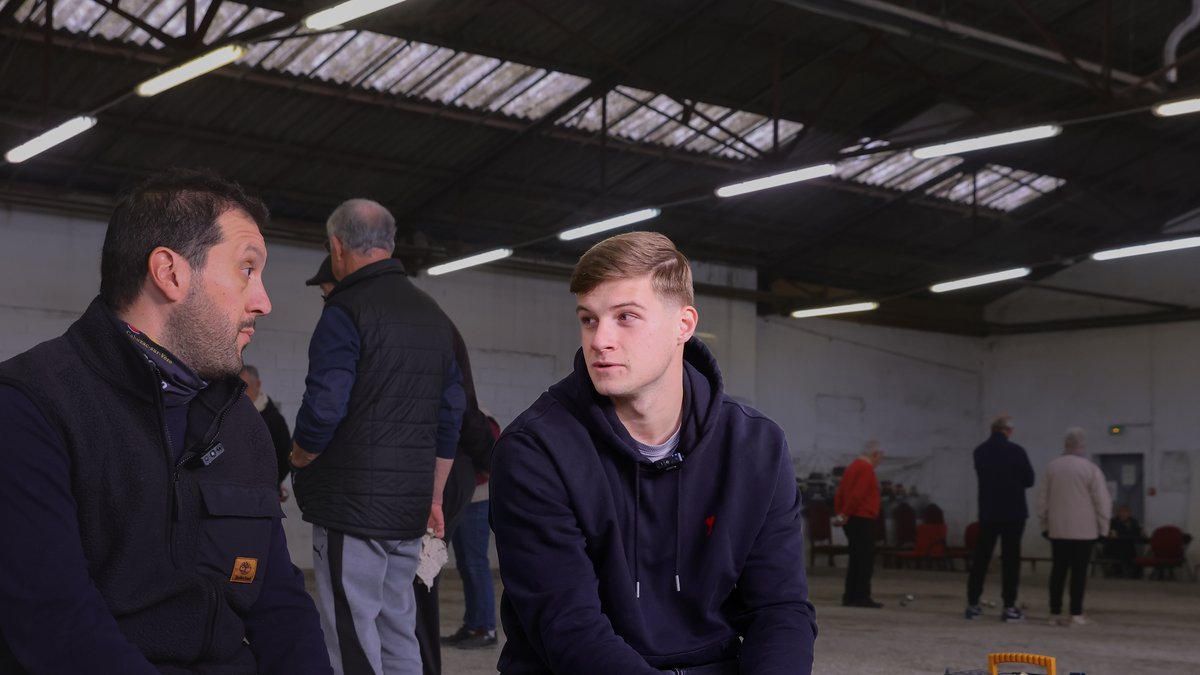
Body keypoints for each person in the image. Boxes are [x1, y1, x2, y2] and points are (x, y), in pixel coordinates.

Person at [0, 169, 331, 673]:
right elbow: (56, 626)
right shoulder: (30, 408)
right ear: (170, 273)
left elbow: (277, 604)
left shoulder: (239, 422)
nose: (263, 300)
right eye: (247, 269)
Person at [490, 231, 817, 675]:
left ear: (684, 325)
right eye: (589, 319)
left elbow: (779, 609)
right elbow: (569, 628)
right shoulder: (535, 450)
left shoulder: (755, 446)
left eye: (625, 317)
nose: (600, 340)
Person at [290, 199, 465, 675]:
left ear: (337, 247)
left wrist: (300, 456)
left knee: (350, 631)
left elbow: (325, 406)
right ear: (389, 244)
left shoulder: (345, 310)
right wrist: (433, 494)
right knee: (396, 627)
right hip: (408, 508)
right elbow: (452, 414)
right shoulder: (433, 316)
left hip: (352, 508)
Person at [1038, 428, 1111, 626]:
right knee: (1079, 573)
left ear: (1065, 444)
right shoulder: (1090, 469)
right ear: (1082, 445)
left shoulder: (1052, 467)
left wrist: (1045, 524)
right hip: (1084, 531)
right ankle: (1076, 613)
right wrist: (1103, 528)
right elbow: (1102, 502)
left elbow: (1042, 500)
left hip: (1058, 529)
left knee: (1058, 571)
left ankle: (1054, 612)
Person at [965, 415, 1035, 622]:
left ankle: (973, 604)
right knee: (1011, 560)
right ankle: (1009, 606)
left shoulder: (979, 451)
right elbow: (1029, 480)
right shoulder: (1017, 451)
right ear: (1008, 431)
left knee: (981, 558)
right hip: (1013, 512)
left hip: (988, 512)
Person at [442, 412, 501, 650]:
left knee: (475, 564)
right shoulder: (464, 414)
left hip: (477, 500)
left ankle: (486, 628)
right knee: (466, 565)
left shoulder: (482, 420)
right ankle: (472, 625)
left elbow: (492, 458)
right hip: (460, 500)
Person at [834, 440, 885, 608]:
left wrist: (841, 513)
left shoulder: (852, 467)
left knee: (856, 559)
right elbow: (858, 494)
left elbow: (840, 493)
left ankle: (850, 595)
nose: (879, 462)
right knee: (865, 560)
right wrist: (846, 513)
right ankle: (861, 596)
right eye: (880, 458)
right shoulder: (866, 469)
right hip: (862, 518)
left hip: (852, 519)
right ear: (875, 454)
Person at [240, 364, 294, 501]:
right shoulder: (230, 414)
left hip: (262, 494)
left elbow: (286, 454)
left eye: (246, 388)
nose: (241, 394)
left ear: (257, 384)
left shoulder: (274, 419)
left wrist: (273, 483)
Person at [1105, 504, 1146, 578]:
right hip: (1114, 548)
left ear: (1129, 514)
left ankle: (1135, 577)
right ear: (1118, 513)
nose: (1123, 514)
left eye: (1126, 512)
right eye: (1121, 511)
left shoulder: (1133, 522)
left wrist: (1142, 532)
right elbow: (1108, 533)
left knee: (1136, 556)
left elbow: (1137, 534)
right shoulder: (1113, 522)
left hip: (1129, 549)